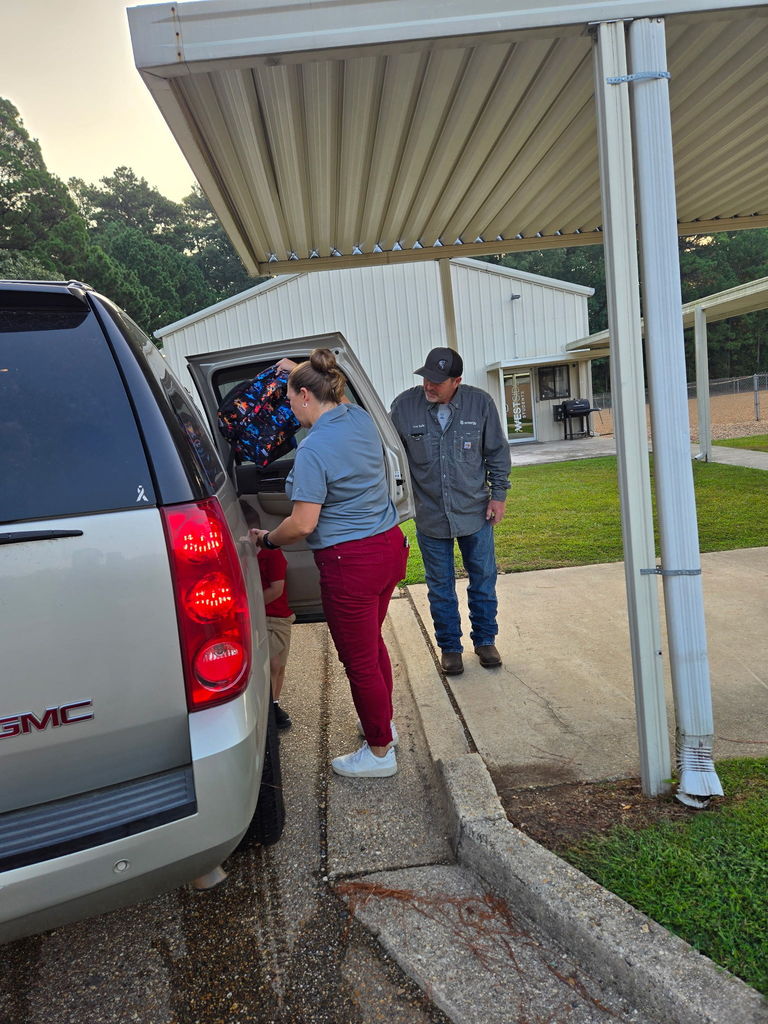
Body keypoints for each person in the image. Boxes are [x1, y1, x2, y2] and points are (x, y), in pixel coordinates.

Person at [250, 350, 409, 779]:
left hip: (350, 564)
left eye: (290, 399)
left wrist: (267, 540)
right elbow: (333, 391)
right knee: (371, 646)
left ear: (306, 395)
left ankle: (380, 754)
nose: (290, 409)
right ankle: (383, 724)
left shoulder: (314, 450)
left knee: (359, 661)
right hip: (389, 548)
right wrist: (299, 369)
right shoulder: (358, 419)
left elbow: (303, 524)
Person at [390, 347, 511, 676]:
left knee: (482, 580)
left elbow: (497, 453)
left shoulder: (480, 404)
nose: (429, 385)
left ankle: (485, 640)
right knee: (440, 587)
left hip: (475, 512)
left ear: (456, 381)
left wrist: (498, 496)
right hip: (430, 516)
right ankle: (450, 648)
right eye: (426, 378)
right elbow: (389, 459)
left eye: (438, 381)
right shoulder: (403, 407)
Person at [257, 544, 295, 730]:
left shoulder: (271, 554)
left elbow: (277, 589)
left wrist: (249, 606)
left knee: (278, 666)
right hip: (259, 617)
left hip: (277, 617)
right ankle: (268, 710)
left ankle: (273, 704)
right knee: (272, 664)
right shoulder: (240, 555)